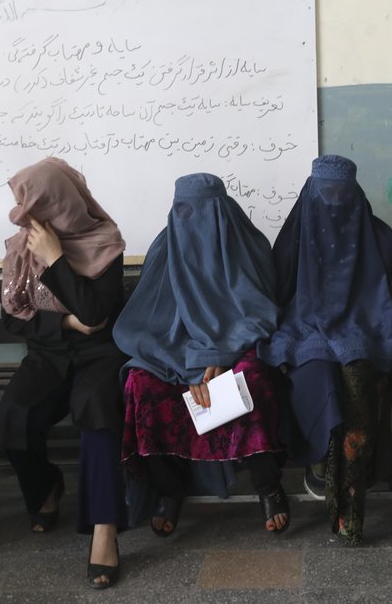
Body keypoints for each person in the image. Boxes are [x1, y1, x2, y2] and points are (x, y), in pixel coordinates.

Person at [113, 173, 289, 536]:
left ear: (223, 210)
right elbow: (144, 321)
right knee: (141, 385)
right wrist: (191, 365)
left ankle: (267, 485)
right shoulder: (166, 248)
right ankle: (170, 489)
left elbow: (262, 313)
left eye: (203, 211)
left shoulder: (248, 244)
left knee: (252, 380)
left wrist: (220, 356)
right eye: (184, 211)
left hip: (237, 347)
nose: (193, 221)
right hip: (176, 354)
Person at [0, 157, 129, 588]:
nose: (24, 217)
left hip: (99, 355)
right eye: (20, 205)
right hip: (49, 352)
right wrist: (64, 323)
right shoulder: (19, 248)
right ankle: (46, 486)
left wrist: (54, 260)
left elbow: (95, 314)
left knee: (97, 411)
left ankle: (105, 531)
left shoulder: (104, 241)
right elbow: (14, 318)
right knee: (10, 416)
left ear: (60, 202)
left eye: (33, 205)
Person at [258, 155, 392, 545]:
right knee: (321, 383)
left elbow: (385, 297)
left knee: (357, 391)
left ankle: (350, 515)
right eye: (326, 194)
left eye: (342, 194)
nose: (334, 203)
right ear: (310, 194)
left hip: (363, 328)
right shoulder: (293, 236)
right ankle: (321, 469)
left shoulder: (380, 238)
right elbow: (278, 294)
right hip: (306, 328)